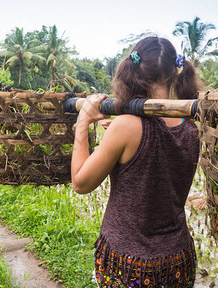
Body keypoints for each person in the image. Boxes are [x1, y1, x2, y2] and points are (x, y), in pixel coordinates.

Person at [71, 36, 201, 287]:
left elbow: (80, 183)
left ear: (133, 70)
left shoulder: (125, 127)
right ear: (176, 72)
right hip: (178, 262)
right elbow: (157, 149)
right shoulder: (192, 128)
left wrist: (83, 123)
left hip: (131, 267)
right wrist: (118, 135)